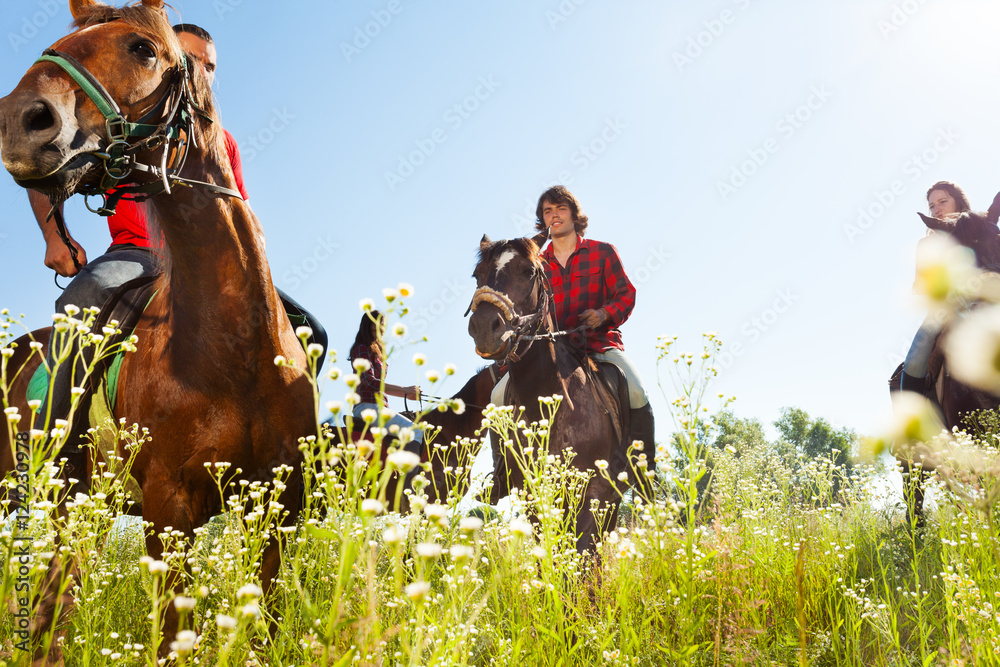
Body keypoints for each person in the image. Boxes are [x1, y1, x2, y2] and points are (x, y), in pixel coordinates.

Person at [30, 24, 326, 446]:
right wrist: (54, 237)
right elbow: (44, 171)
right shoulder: (128, 124)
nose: (203, 72)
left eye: (211, 66)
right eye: (192, 61)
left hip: (211, 264)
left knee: (311, 332)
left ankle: (299, 457)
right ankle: (42, 453)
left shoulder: (223, 142)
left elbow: (239, 206)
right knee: (80, 300)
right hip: (138, 256)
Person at [491, 185, 655, 466]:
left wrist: (603, 314)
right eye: (547, 211)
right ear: (542, 221)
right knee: (496, 396)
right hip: (551, 353)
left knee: (637, 390)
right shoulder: (535, 265)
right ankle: (502, 473)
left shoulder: (603, 252)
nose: (554, 215)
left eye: (560, 209)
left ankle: (644, 471)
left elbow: (627, 294)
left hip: (599, 345)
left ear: (574, 214)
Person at [900, 181, 972, 392]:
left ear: (958, 202)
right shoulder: (926, 244)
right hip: (942, 312)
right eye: (932, 206)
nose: (937, 208)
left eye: (943, 201)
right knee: (914, 360)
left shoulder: (980, 232)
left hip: (985, 304)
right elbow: (921, 287)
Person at [349, 310, 423, 445]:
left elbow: (379, 387)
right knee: (416, 432)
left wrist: (407, 394)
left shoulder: (374, 351)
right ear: (369, 325)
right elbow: (369, 382)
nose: (382, 328)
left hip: (376, 406)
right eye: (378, 324)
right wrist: (405, 389)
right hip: (367, 407)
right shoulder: (362, 348)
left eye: (383, 324)